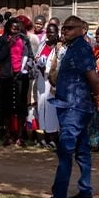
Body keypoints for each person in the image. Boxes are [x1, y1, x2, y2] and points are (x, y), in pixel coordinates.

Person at [37, 16, 99, 198]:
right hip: (70, 104)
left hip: (76, 106)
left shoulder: (81, 48)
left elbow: (93, 77)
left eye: (70, 28)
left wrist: (96, 96)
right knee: (81, 151)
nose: (65, 31)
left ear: (83, 29)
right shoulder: (71, 48)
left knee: (65, 150)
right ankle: (85, 192)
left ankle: (59, 197)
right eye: (64, 28)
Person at [0, 17, 35, 147]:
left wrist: (26, 67)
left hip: (21, 77)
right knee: (6, 106)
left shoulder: (24, 39)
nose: (15, 28)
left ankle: (20, 136)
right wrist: (8, 46)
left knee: (21, 105)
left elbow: (31, 56)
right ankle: (8, 135)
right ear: (8, 27)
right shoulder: (2, 40)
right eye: (13, 26)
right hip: (6, 77)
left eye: (18, 26)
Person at [33, 21, 63, 149]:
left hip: (52, 82)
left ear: (57, 34)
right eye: (48, 32)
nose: (50, 35)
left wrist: (46, 69)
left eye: (53, 32)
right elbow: (36, 58)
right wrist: (38, 65)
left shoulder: (60, 48)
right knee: (41, 107)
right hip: (41, 81)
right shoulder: (42, 45)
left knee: (52, 109)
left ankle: (54, 138)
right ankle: (43, 136)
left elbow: (60, 66)